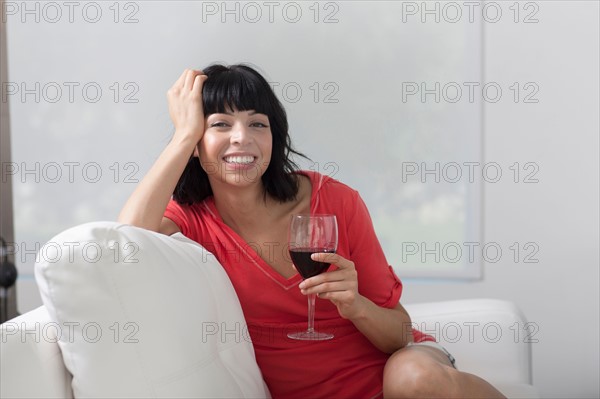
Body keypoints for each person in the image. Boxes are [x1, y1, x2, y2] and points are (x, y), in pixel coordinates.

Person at [118, 64, 506, 398]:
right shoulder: (192, 218)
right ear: (197, 146)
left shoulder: (335, 201)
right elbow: (122, 245)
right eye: (220, 124)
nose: (243, 137)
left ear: (274, 138)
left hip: (393, 378)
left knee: (414, 379)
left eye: (258, 123)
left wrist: (358, 308)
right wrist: (183, 134)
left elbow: (399, 333)